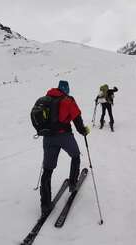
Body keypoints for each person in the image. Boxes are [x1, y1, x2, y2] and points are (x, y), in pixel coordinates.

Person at [40, 80, 90, 215]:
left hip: (48, 138)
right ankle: (73, 183)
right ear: (66, 89)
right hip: (64, 136)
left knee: (47, 170)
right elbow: (77, 120)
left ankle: (45, 204)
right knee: (75, 155)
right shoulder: (68, 100)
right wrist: (83, 131)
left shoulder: (47, 99)